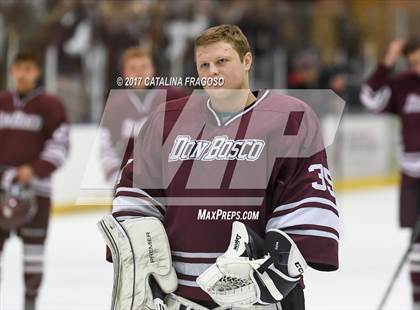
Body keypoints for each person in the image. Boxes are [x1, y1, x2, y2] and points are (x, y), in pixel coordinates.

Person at [105, 25, 339, 309]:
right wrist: (140, 253)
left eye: (222, 61)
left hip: (260, 301)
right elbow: (136, 193)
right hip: (181, 299)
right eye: (204, 64)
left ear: (247, 61)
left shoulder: (290, 118)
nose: (212, 72)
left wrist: (274, 272)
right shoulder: (167, 119)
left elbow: (306, 199)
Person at [0, 52, 69, 310]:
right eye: (18, 68)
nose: (22, 73)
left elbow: (61, 144)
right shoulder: (2, 101)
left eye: (28, 68)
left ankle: (30, 303)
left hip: (36, 192)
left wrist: (34, 169)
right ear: (11, 71)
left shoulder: (50, 105)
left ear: (37, 71)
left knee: (33, 256)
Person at [360, 38, 420, 308]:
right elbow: (370, 98)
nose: (418, 67)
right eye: (414, 62)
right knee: (417, 246)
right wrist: (387, 62)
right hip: (412, 177)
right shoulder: (403, 83)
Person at [99, 47, 186, 185]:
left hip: (167, 184)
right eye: (133, 68)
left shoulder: (174, 97)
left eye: (144, 67)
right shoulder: (115, 105)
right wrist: (118, 178)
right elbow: (106, 146)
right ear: (124, 73)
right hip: (129, 184)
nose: (139, 73)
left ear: (153, 69)